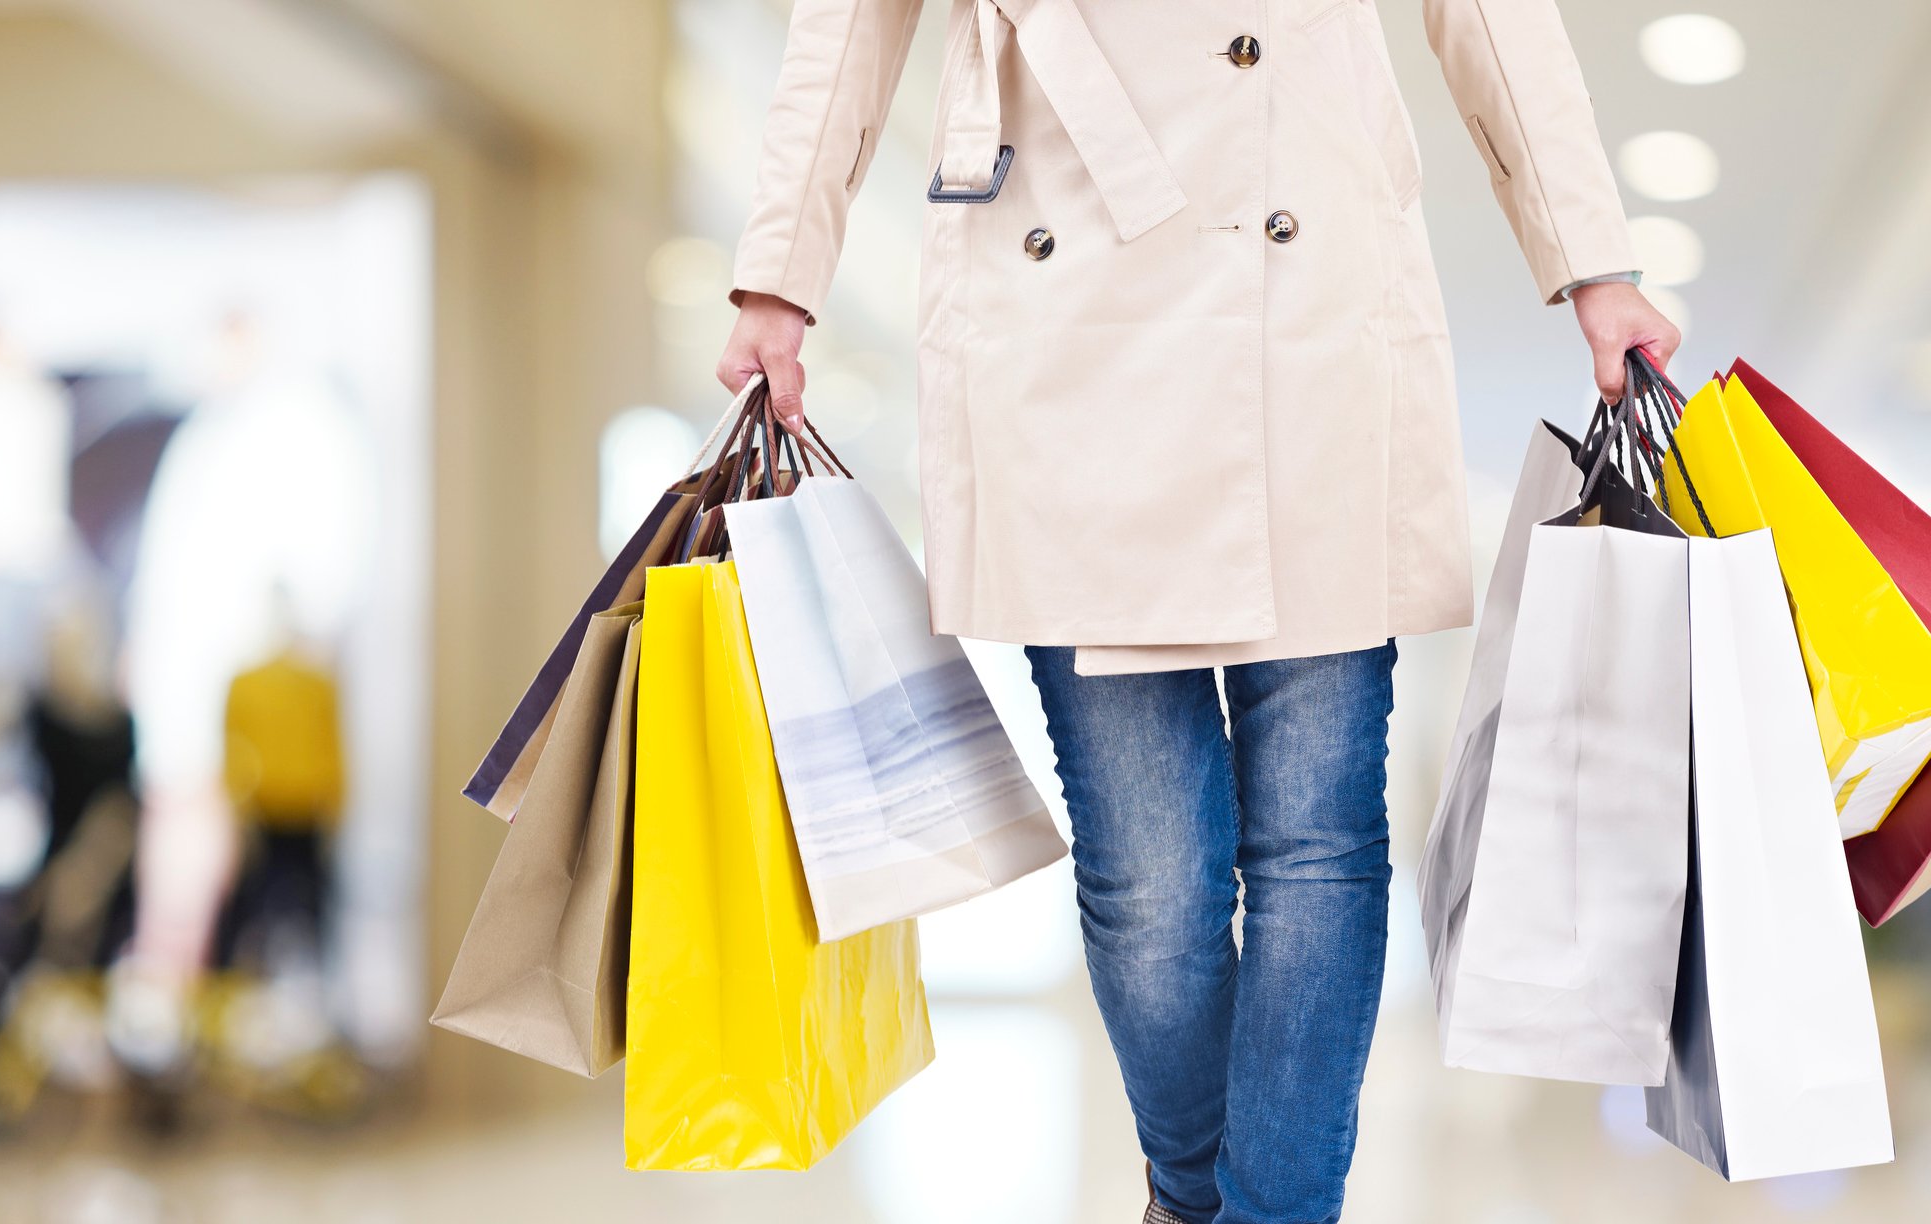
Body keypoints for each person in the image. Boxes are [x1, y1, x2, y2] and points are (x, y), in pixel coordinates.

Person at [719, 3, 1677, 1219]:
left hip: (1310, 303)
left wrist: (1592, 259)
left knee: (1319, 846)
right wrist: (780, 279)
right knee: (1151, 878)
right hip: (1063, 293)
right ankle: (1187, 1195)